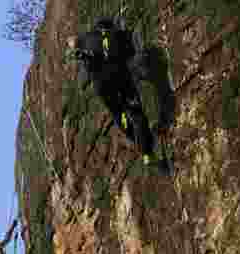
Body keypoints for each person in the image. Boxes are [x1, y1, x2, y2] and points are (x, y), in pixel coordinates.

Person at [68, 17, 167, 170]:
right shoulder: (102, 34)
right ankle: (147, 152)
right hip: (118, 76)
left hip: (102, 87)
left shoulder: (89, 42)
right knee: (135, 111)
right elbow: (129, 44)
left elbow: (84, 81)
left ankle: (132, 133)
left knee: (119, 114)